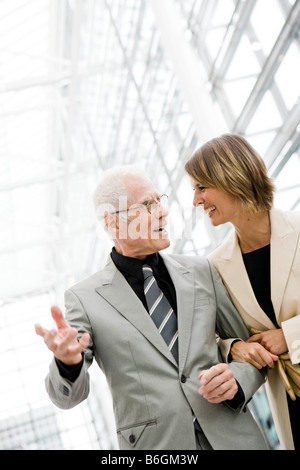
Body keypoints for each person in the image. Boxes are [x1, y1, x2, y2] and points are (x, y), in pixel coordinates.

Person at [35, 165, 268, 450]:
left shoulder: (200, 271)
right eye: (148, 204)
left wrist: (238, 379)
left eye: (160, 200)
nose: (163, 211)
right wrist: (68, 364)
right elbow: (67, 397)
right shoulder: (84, 299)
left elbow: (251, 346)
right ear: (114, 223)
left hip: (235, 439)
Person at [185, 133, 300, 450]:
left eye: (201, 187)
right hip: (290, 405)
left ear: (229, 176)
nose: (195, 200)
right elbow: (214, 337)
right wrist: (234, 347)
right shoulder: (216, 267)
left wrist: (287, 336)